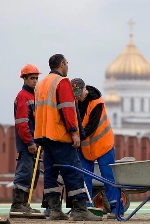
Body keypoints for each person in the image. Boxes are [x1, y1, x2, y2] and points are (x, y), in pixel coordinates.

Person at [34, 54, 101, 221]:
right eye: (67, 63)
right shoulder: (62, 82)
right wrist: (74, 132)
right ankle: (80, 210)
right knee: (73, 171)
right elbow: (67, 109)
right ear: (62, 64)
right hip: (59, 135)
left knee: (50, 173)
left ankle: (55, 210)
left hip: (44, 135)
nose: (67, 66)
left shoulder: (41, 84)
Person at [70, 78, 124, 219]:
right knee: (83, 176)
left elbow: (91, 126)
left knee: (108, 177)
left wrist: (77, 137)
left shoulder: (96, 102)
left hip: (103, 144)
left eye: (80, 94)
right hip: (86, 146)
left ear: (85, 89)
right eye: (76, 95)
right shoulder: (75, 101)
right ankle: (86, 208)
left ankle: (117, 209)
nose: (79, 97)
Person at [10, 64, 42, 214]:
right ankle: (17, 205)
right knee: (25, 172)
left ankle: (25, 205)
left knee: (33, 174)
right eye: (32, 78)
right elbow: (22, 123)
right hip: (27, 143)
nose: (35, 81)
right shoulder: (23, 96)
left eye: (36, 78)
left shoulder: (34, 96)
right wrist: (29, 142)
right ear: (24, 79)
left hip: (35, 142)